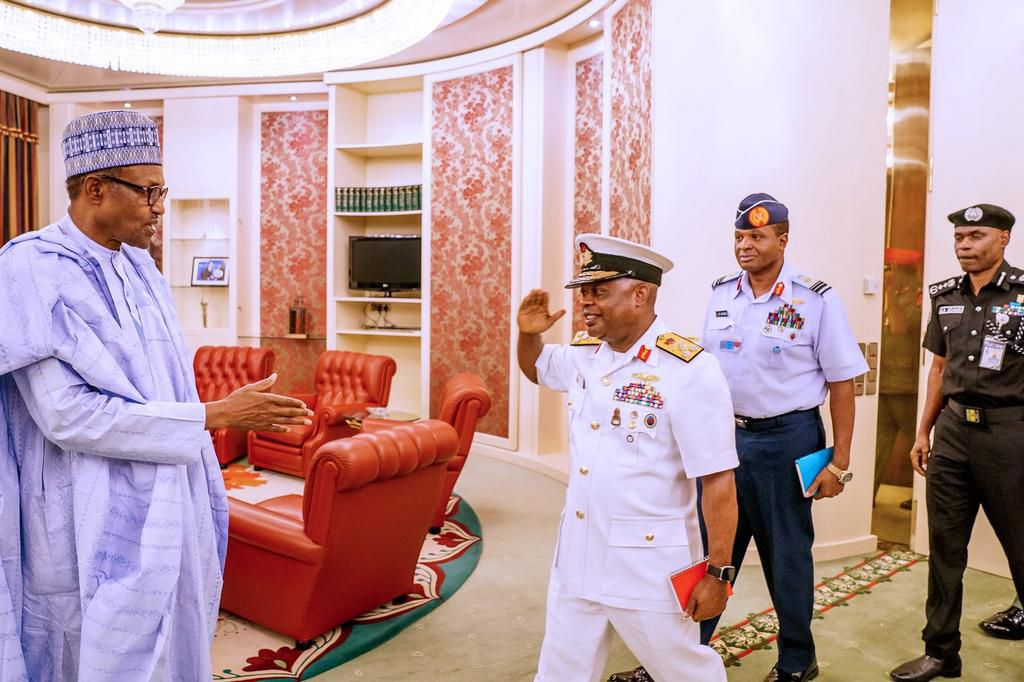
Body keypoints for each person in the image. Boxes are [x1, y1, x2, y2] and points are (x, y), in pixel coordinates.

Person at [0, 110, 314, 681]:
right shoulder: (29, 267)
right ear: (95, 188)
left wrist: (207, 415)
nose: (159, 207)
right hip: (78, 508)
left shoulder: (141, 267)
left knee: (174, 635)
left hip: (167, 492)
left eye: (162, 191)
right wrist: (216, 415)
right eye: (149, 192)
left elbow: (166, 381)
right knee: (83, 645)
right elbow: (66, 416)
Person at [519, 234, 739, 682]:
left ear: (641, 294)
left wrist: (718, 574)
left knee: (684, 673)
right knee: (559, 672)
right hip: (577, 554)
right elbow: (537, 367)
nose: (586, 303)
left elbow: (717, 481)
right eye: (584, 292)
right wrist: (528, 335)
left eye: (599, 291)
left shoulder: (688, 370)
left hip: (647, 564)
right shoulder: (584, 355)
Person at [890, 203, 1024, 682]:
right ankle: (941, 653)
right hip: (951, 435)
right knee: (945, 550)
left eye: (976, 236)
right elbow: (938, 369)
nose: (964, 246)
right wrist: (923, 430)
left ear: (1004, 238)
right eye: (959, 238)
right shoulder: (944, 297)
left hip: (1010, 434)